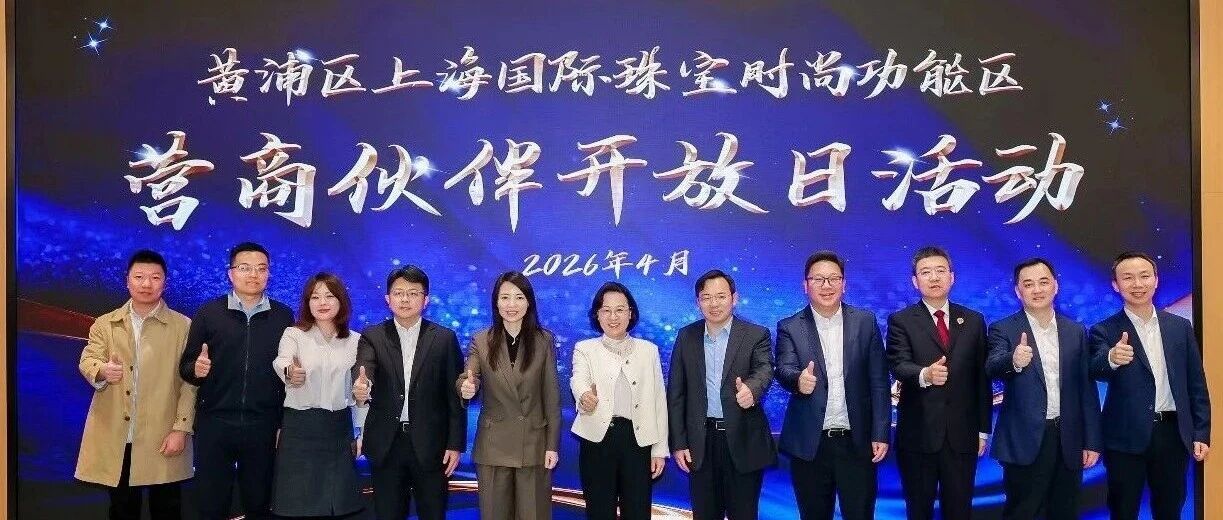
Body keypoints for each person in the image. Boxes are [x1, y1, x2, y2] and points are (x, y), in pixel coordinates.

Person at [1089, 251, 1211, 520]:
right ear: (1115, 285)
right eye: (1128, 278)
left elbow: (1196, 382)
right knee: (1123, 510)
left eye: (1144, 276)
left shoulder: (1180, 327)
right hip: (1124, 438)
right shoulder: (1103, 330)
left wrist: (1201, 431)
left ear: (1156, 280)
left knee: (1170, 509)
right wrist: (1112, 358)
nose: (1137, 284)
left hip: (1172, 434)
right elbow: (1095, 367)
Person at [76, 249, 194, 520]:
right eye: (139, 277)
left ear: (165, 283)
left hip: (163, 434)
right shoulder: (105, 324)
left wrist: (181, 428)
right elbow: (88, 359)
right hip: (119, 436)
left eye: (155, 277)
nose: (146, 284)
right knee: (122, 510)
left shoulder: (183, 326)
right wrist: (102, 371)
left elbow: (190, 383)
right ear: (126, 280)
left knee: (167, 509)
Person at [178, 242, 294, 520]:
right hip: (214, 422)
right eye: (245, 268)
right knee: (211, 503)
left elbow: (287, 374)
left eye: (261, 269)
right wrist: (197, 369)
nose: (253, 274)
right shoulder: (208, 313)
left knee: (259, 502)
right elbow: (186, 366)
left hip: (263, 424)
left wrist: (282, 421)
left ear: (268, 274)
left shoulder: (283, 316)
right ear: (230, 273)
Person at [775, 251, 890, 520]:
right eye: (818, 279)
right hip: (810, 445)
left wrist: (880, 432)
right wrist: (798, 381)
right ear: (805, 285)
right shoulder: (790, 326)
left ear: (843, 283)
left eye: (833, 279)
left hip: (857, 442)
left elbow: (879, 381)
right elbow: (784, 367)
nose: (826, 285)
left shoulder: (865, 322)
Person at [985, 258, 1102, 519]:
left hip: (1069, 439)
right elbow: (992, 365)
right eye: (1028, 284)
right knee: (1022, 512)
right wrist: (1013, 361)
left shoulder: (1075, 330)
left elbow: (1086, 389)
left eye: (1043, 282)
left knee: (1065, 511)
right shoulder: (1002, 328)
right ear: (1018, 291)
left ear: (1055, 286)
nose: (1037, 290)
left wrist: (1092, 440)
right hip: (1024, 441)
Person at [351, 265, 466, 520]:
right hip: (387, 444)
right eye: (398, 293)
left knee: (433, 513)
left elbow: (454, 396)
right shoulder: (373, 336)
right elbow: (365, 369)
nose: (405, 299)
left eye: (413, 293)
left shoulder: (444, 338)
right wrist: (362, 386)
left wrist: (455, 444)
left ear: (426, 300)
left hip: (432, 445)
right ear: (387, 298)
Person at [886, 246, 991, 520]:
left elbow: (982, 379)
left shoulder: (974, 321)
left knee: (959, 511)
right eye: (926, 272)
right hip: (918, 436)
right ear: (915, 281)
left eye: (940, 271)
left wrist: (983, 430)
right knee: (918, 510)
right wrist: (925, 375)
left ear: (952, 277)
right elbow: (898, 363)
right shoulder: (901, 321)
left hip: (963, 436)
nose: (934, 277)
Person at [666, 269, 776, 520]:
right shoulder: (686, 336)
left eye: (721, 296)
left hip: (744, 440)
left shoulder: (755, 334)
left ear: (734, 298)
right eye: (706, 297)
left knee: (744, 514)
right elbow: (676, 393)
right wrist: (679, 442)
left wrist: (751, 389)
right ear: (698, 302)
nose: (714, 304)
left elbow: (764, 369)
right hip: (701, 442)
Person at [458, 271, 561, 520]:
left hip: (534, 445)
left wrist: (552, 445)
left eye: (519, 297)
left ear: (529, 302)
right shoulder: (481, 340)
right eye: (505, 297)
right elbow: (468, 376)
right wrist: (466, 387)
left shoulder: (543, 340)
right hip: (494, 445)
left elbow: (551, 396)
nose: (511, 304)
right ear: (496, 302)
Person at [570, 282, 669, 520]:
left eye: (620, 310)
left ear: (630, 313)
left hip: (637, 441)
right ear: (597, 314)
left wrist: (659, 450)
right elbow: (578, 380)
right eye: (606, 310)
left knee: (637, 512)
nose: (613, 317)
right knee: (599, 512)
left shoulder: (648, 351)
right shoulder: (585, 349)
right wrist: (584, 397)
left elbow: (658, 401)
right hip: (597, 441)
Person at [269, 272, 363, 517]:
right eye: (315, 297)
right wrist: (290, 372)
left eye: (329, 296)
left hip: (338, 429)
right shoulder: (294, 334)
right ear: (307, 303)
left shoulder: (356, 341)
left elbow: (360, 392)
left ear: (341, 301)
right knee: (298, 504)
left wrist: (361, 431)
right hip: (300, 428)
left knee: (338, 505)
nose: (322, 302)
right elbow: (282, 360)